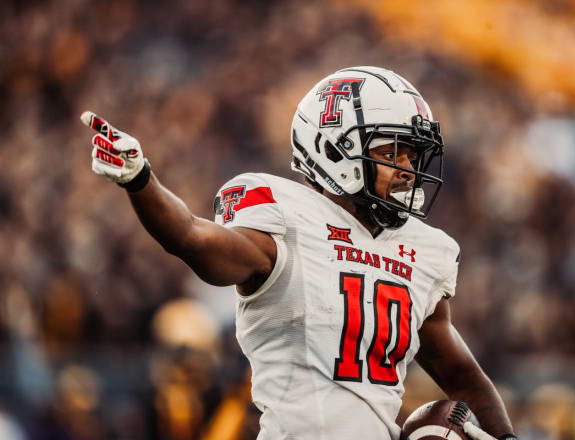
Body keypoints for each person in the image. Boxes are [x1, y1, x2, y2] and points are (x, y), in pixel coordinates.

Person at [81, 66, 517, 440]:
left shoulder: (422, 251)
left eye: (413, 153)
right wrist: (141, 180)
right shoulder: (287, 219)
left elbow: (464, 380)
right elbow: (191, 237)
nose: (408, 169)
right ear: (334, 150)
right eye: (391, 152)